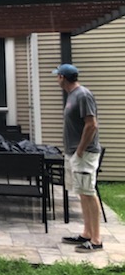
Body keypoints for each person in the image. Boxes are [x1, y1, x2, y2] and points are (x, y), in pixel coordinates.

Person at [54, 64, 103, 252]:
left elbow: (91, 125)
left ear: (62, 78)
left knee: (89, 193)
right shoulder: (72, 96)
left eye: (57, 76)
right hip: (75, 152)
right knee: (82, 192)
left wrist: (80, 150)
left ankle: (97, 239)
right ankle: (86, 233)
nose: (56, 80)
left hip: (84, 153)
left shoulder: (83, 95)